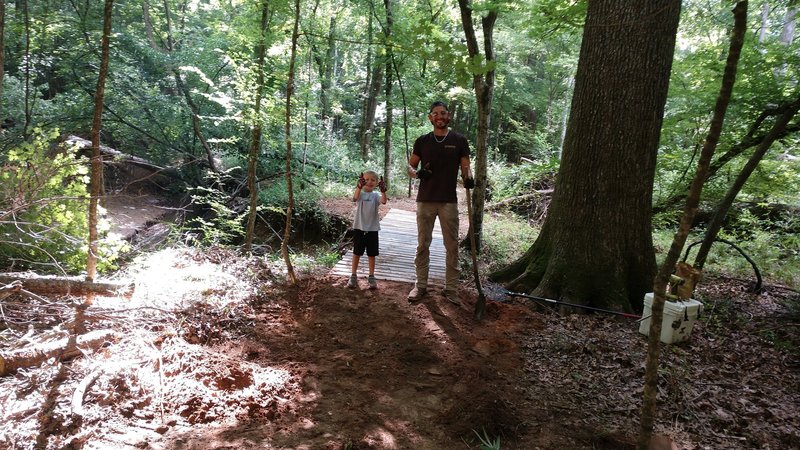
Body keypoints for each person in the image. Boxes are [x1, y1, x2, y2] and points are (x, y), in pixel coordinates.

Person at [406, 101, 474, 304]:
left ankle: (451, 289)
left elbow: (466, 167)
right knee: (422, 245)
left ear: (449, 115)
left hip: (448, 202)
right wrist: (417, 174)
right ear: (430, 117)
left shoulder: (459, 140)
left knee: (452, 246)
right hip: (425, 200)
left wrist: (469, 178)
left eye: (443, 113)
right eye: (435, 113)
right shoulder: (422, 141)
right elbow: (410, 167)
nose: (439, 116)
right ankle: (420, 286)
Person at [346, 170, 388, 290]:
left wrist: (383, 191)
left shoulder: (375, 195)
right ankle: (353, 275)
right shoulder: (360, 194)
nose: (369, 182)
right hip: (359, 227)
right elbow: (355, 198)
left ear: (376, 183)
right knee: (356, 252)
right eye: (367, 180)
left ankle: (371, 276)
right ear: (362, 181)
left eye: (373, 180)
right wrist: (358, 187)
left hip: (373, 229)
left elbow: (384, 201)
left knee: (372, 254)